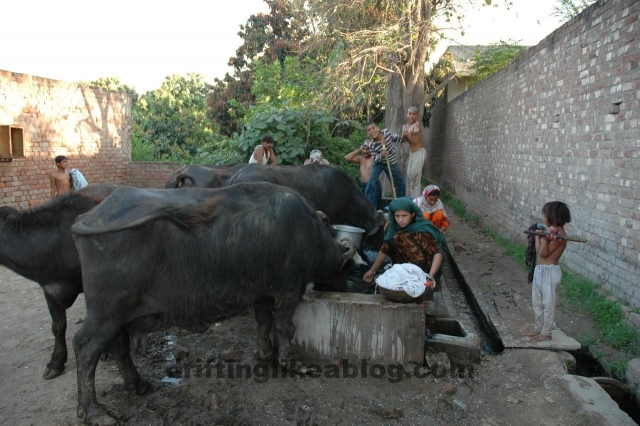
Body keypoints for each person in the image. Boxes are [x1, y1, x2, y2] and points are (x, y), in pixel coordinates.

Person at [363, 198, 443, 287]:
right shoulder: (392, 229)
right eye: (397, 216)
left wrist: (430, 276)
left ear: (412, 214)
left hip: (419, 276)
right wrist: (373, 270)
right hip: (399, 274)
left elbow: (437, 253)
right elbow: (385, 249)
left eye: (404, 216)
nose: (400, 220)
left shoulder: (422, 231)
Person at [523, 201, 572, 342]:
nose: (544, 218)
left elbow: (544, 254)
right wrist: (538, 237)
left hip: (550, 272)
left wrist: (548, 241)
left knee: (548, 304)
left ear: (553, 217)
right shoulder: (552, 233)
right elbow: (539, 250)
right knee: (537, 302)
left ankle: (546, 332)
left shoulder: (560, 236)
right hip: (540, 270)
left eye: (545, 215)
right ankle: (538, 328)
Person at [363, 122, 406, 208]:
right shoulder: (372, 145)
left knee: (399, 181)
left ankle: (401, 203)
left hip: (391, 162)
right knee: (372, 180)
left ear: (378, 128)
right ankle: (366, 203)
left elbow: (395, 138)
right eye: (369, 130)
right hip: (378, 163)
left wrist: (403, 138)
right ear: (368, 134)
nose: (372, 131)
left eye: (373, 128)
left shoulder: (386, 133)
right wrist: (381, 155)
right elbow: (375, 158)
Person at [402, 106, 426, 198]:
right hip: (412, 154)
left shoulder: (416, 125)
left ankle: (416, 201)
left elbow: (416, 131)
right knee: (409, 176)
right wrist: (404, 134)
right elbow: (403, 139)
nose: (412, 116)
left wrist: (411, 132)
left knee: (414, 178)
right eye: (410, 114)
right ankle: (409, 199)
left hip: (419, 153)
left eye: (414, 114)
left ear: (417, 116)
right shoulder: (405, 127)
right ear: (407, 115)